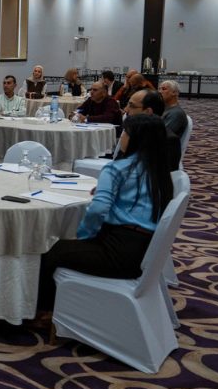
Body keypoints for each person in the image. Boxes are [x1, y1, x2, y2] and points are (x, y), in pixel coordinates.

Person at [36, 115, 174, 315]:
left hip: (118, 253)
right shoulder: (157, 171)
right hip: (145, 254)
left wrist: (83, 236)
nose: (121, 137)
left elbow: (98, 210)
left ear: (135, 138)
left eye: (125, 132)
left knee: (50, 250)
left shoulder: (117, 168)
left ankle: (43, 312)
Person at [124, 89, 182, 170]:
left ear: (148, 111)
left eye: (131, 106)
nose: (126, 109)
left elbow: (161, 175)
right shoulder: (133, 130)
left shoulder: (167, 141)